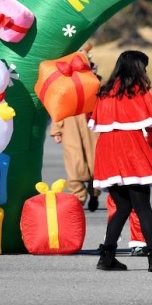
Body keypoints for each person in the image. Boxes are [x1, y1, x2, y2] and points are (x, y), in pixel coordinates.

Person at [89, 50, 152, 272]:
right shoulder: (139, 92)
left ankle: (106, 258)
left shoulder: (104, 93)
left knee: (121, 207)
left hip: (107, 150)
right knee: (142, 207)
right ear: (138, 68)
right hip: (131, 148)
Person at [49, 44, 101, 211]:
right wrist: (57, 129)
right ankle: (78, 197)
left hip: (92, 127)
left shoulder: (95, 81)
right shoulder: (65, 84)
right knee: (74, 164)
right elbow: (59, 106)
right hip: (71, 126)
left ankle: (94, 193)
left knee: (96, 164)